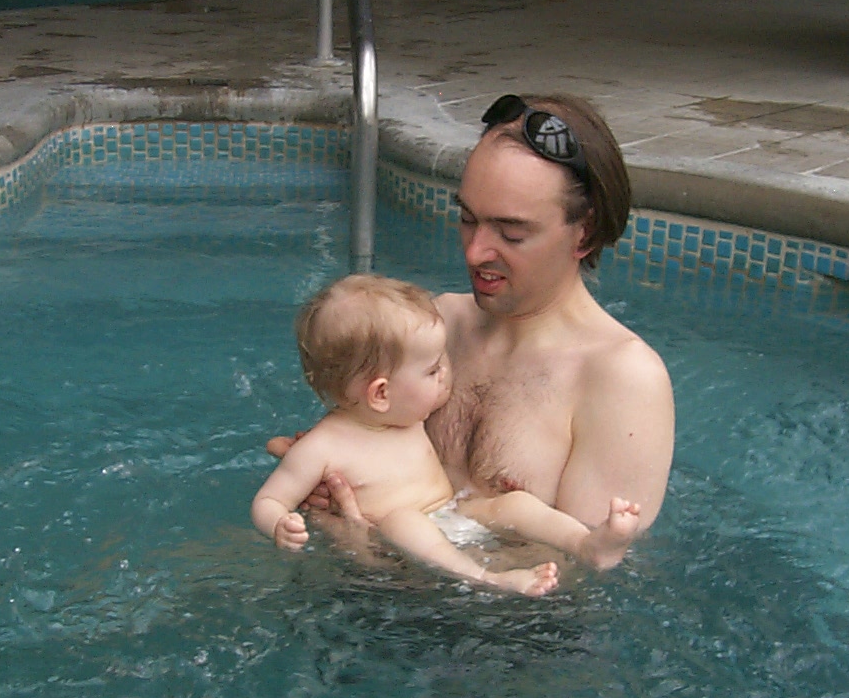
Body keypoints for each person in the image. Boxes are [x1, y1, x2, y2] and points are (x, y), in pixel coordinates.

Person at [270, 93, 675, 570]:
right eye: (467, 218)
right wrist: (323, 497)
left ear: (583, 233)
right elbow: (349, 445)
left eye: (511, 233)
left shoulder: (622, 378)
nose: (475, 251)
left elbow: (581, 581)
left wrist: (378, 555)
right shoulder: (436, 326)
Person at [251, 274, 644, 596]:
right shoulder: (323, 446)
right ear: (381, 394)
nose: (445, 375)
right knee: (402, 521)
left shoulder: (408, 413)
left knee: (515, 504)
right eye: (432, 370)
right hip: (401, 537)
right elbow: (270, 499)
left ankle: (586, 544)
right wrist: (280, 525)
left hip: (454, 511)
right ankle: (488, 579)